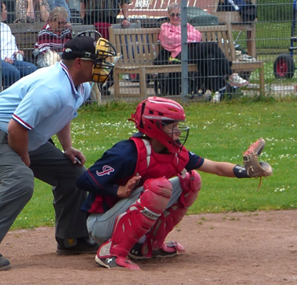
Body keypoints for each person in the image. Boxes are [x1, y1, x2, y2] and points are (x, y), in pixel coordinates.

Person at [0, 35, 117, 271]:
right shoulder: (52, 88)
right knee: (20, 179)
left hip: (18, 134)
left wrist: (67, 148)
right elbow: (16, 128)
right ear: (78, 63)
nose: (103, 66)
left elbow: (63, 114)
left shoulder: (80, 86)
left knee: (73, 174)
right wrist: (24, 160)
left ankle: (71, 239)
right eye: (97, 61)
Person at [78, 97, 270, 270]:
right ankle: (111, 252)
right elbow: (84, 180)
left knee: (192, 180)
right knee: (159, 187)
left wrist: (248, 172)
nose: (178, 130)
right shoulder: (127, 152)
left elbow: (216, 167)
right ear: (155, 127)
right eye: (172, 125)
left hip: (125, 214)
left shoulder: (175, 152)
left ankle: (148, 245)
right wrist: (118, 190)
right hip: (101, 223)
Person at [158, 3, 248, 100]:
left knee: (208, 58)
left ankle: (219, 90)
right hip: (180, 54)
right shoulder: (165, 27)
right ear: (168, 15)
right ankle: (230, 74)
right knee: (212, 45)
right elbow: (170, 40)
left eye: (178, 15)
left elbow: (198, 35)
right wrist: (188, 37)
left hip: (193, 51)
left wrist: (183, 37)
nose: (175, 17)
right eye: (172, 15)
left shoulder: (186, 25)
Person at [0, 0, 38, 88]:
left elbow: (11, 45)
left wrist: (17, 52)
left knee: (32, 69)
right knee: (13, 72)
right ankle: (10, 99)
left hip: (10, 61)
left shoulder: (6, 27)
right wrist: (3, 58)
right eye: (5, 9)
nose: (7, 11)